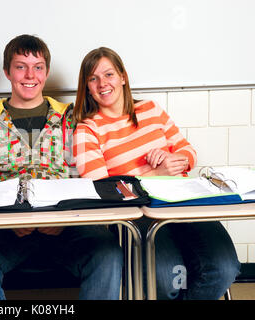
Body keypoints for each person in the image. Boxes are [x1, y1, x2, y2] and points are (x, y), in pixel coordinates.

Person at [0, 35, 123, 300]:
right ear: (7, 72)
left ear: (47, 73)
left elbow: (83, 174)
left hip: (66, 226)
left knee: (107, 253)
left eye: (38, 67)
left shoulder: (72, 118)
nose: (29, 75)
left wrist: (63, 218)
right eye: (21, 66)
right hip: (5, 228)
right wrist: (9, 220)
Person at [73, 46, 240, 299]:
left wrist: (176, 160)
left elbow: (188, 152)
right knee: (166, 282)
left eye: (108, 75)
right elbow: (101, 188)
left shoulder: (151, 109)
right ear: (87, 87)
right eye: (93, 79)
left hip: (183, 202)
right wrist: (155, 174)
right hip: (139, 218)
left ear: (123, 77)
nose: (102, 83)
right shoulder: (87, 129)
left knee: (223, 269)